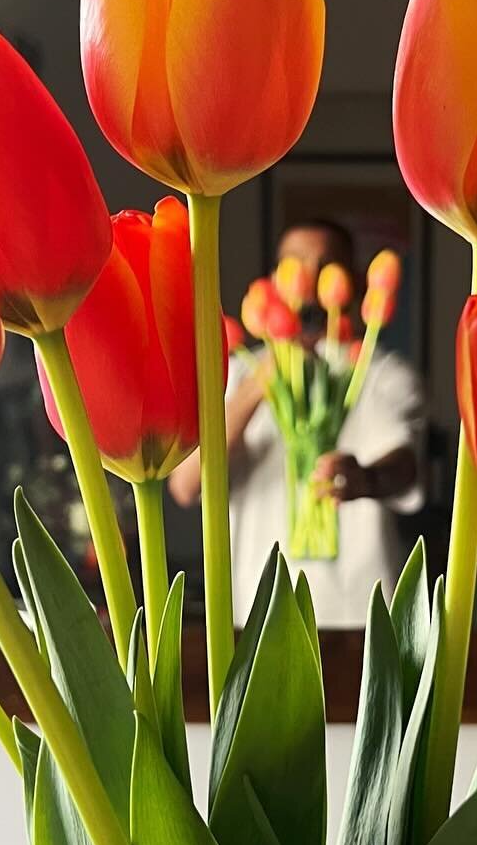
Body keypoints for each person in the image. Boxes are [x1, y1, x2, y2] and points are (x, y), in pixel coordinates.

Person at [169, 218, 425, 627]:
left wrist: (365, 478)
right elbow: (185, 484)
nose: (307, 283)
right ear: (273, 282)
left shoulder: (379, 373)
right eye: (295, 266)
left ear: (355, 283)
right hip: (257, 613)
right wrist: (257, 387)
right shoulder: (235, 374)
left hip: (363, 614)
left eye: (325, 268)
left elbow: (407, 466)